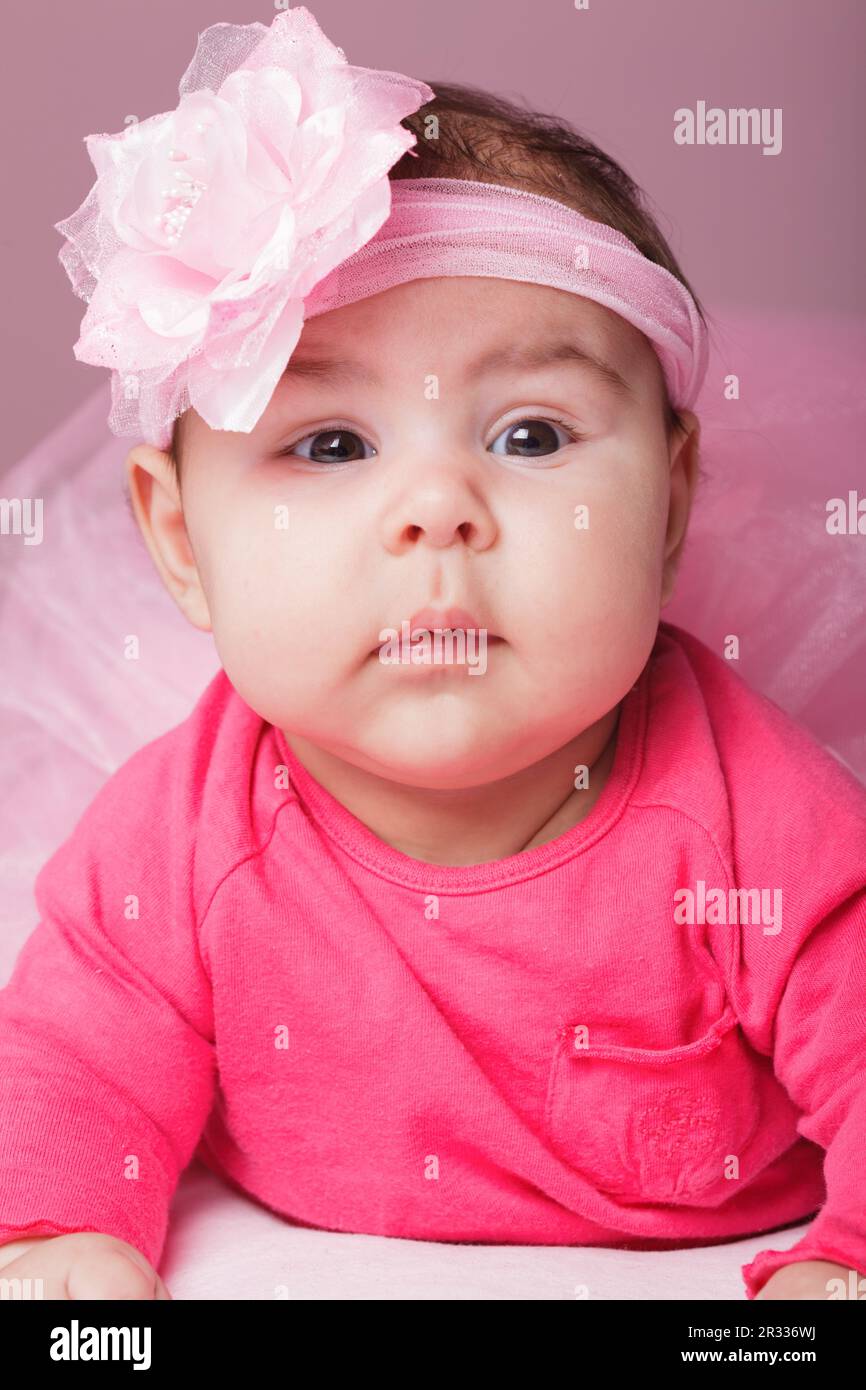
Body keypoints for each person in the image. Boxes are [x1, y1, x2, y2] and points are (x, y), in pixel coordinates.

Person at [1, 7, 863, 1302]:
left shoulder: (751, 821)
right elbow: (75, 1054)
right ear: (181, 541)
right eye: (332, 445)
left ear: (672, 503)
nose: (437, 507)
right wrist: (61, 1231)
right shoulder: (182, 838)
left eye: (527, 436)